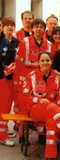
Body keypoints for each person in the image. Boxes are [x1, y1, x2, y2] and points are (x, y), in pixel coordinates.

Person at [22, 51, 60, 160]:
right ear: (38, 62)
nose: (45, 63)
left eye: (47, 60)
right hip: (35, 109)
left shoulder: (58, 76)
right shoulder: (31, 76)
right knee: (52, 108)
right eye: (42, 60)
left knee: (52, 124)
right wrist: (37, 100)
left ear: (51, 61)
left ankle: (50, 157)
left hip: (53, 112)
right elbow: (24, 97)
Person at [16, 18, 51, 139]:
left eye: (41, 27)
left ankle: (41, 132)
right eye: (36, 26)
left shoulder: (49, 45)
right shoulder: (24, 42)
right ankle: (22, 134)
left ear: (44, 29)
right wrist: (19, 79)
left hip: (43, 76)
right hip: (26, 75)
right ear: (32, 29)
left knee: (43, 100)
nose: (38, 29)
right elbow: (18, 61)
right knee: (23, 104)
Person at [0, 17, 15, 147]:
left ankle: (2, 135)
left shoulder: (4, 40)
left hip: (4, 79)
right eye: (6, 25)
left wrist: (6, 69)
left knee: (4, 107)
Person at [1, 17, 18, 116]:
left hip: (12, 77)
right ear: (3, 27)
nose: (10, 27)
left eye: (12, 25)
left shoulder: (17, 41)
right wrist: (4, 69)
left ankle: (5, 125)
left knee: (9, 100)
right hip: (2, 75)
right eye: (7, 25)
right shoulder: (1, 41)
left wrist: (12, 68)